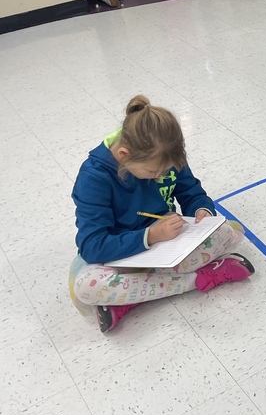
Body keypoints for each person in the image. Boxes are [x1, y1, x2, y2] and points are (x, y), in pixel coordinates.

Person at [69, 95, 255, 333]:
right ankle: (195, 280)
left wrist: (201, 211)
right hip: (120, 254)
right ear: (124, 155)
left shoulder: (165, 153)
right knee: (87, 286)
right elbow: (92, 246)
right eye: (152, 172)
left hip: (168, 243)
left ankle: (135, 295)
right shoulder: (94, 177)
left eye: (165, 171)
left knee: (228, 232)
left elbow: (191, 191)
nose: (160, 177)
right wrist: (150, 236)